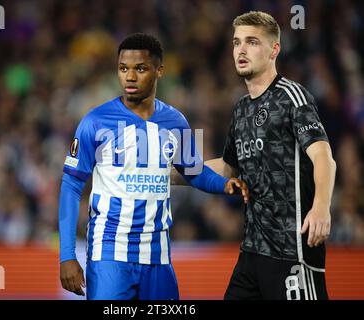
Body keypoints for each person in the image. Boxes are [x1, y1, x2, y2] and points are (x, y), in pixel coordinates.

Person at [58, 33, 249, 300]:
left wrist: (223, 184)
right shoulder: (95, 122)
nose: (130, 77)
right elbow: (70, 186)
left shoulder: (175, 121)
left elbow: (193, 171)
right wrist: (67, 255)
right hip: (109, 252)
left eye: (140, 68)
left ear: (159, 71)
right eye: (123, 69)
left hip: (158, 255)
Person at [201, 11, 336, 300]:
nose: (241, 49)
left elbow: (324, 156)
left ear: (274, 49)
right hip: (252, 252)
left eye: (252, 42)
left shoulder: (291, 96)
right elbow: (227, 167)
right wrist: (167, 173)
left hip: (293, 249)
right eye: (237, 42)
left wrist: (322, 207)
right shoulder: (240, 109)